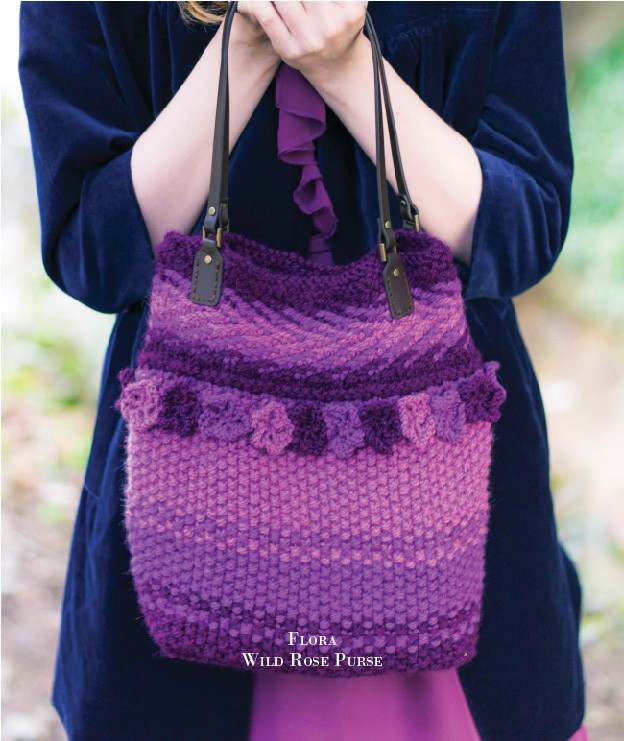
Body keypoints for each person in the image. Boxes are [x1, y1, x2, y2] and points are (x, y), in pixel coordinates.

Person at [19, 2, 586, 739]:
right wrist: (248, 45)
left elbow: (525, 227)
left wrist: (346, 68)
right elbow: (91, 248)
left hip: (435, 509)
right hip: (195, 518)